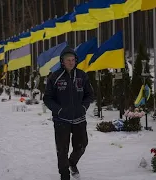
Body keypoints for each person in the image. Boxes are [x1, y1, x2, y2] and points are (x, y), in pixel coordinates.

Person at [43, 46, 94, 180]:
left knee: (82, 146)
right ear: (62, 61)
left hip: (79, 119)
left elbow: (89, 95)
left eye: (73, 60)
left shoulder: (82, 75)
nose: (71, 62)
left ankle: (72, 162)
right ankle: (64, 175)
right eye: (68, 60)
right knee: (62, 151)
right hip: (61, 120)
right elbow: (47, 98)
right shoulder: (55, 77)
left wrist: (83, 108)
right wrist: (59, 110)